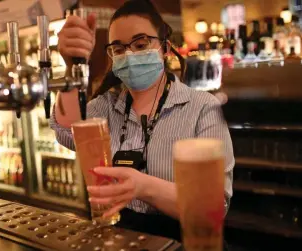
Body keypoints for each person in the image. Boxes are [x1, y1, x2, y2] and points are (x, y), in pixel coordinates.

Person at [50, 0, 234, 242]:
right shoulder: (105, 107)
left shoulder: (202, 108)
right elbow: (65, 130)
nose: (129, 54)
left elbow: (213, 206)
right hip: (121, 240)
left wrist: (142, 187)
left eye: (140, 44)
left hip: (185, 242)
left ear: (165, 48)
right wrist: (73, 65)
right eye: (118, 48)